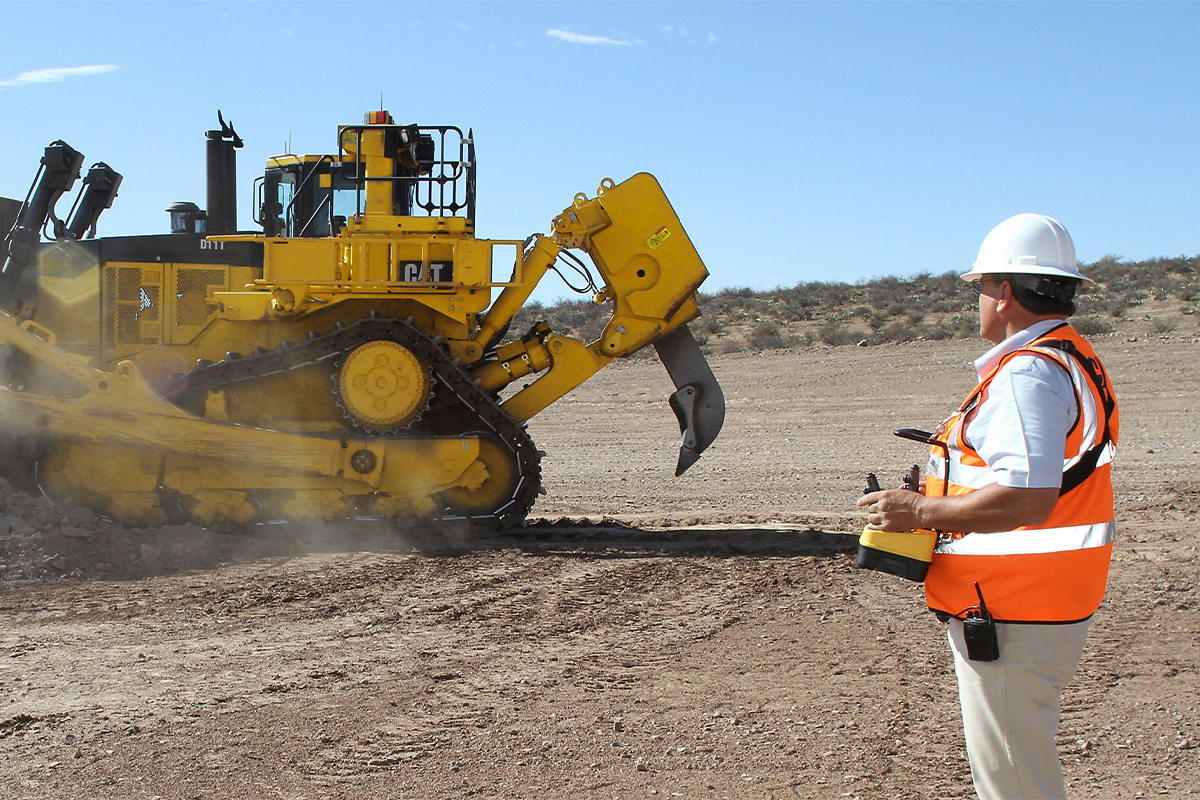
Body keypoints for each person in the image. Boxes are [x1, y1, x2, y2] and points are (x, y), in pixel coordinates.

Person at [858, 213, 1119, 800]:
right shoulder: (1070, 358)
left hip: (1014, 608)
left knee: (1014, 781)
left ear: (1003, 292)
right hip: (1038, 599)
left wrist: (917, 514)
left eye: (979, 287)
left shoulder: (1028, 373)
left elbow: (1027, 495)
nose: (976, 299)